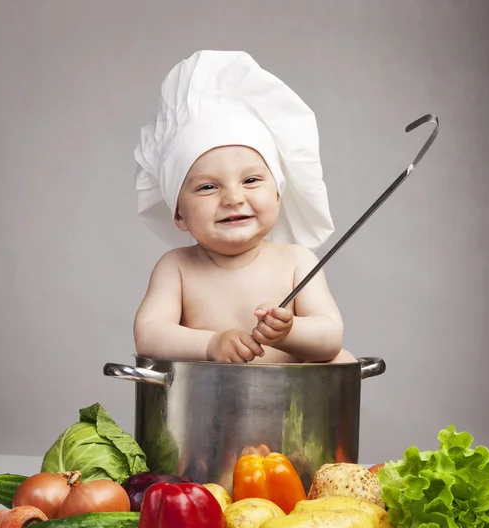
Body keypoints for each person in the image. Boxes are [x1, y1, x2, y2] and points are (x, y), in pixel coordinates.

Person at [132, 50, 355, 364]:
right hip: (204, 407)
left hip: (293, 408)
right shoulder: (176, 268)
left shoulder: (296, 262)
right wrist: (212, 344)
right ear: (179, 213)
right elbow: (150, 333)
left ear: (278, 194)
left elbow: (329, 336)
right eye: (208, 186)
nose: (233, 198)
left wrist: (288, 333)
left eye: (251, 180)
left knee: (341, 360)